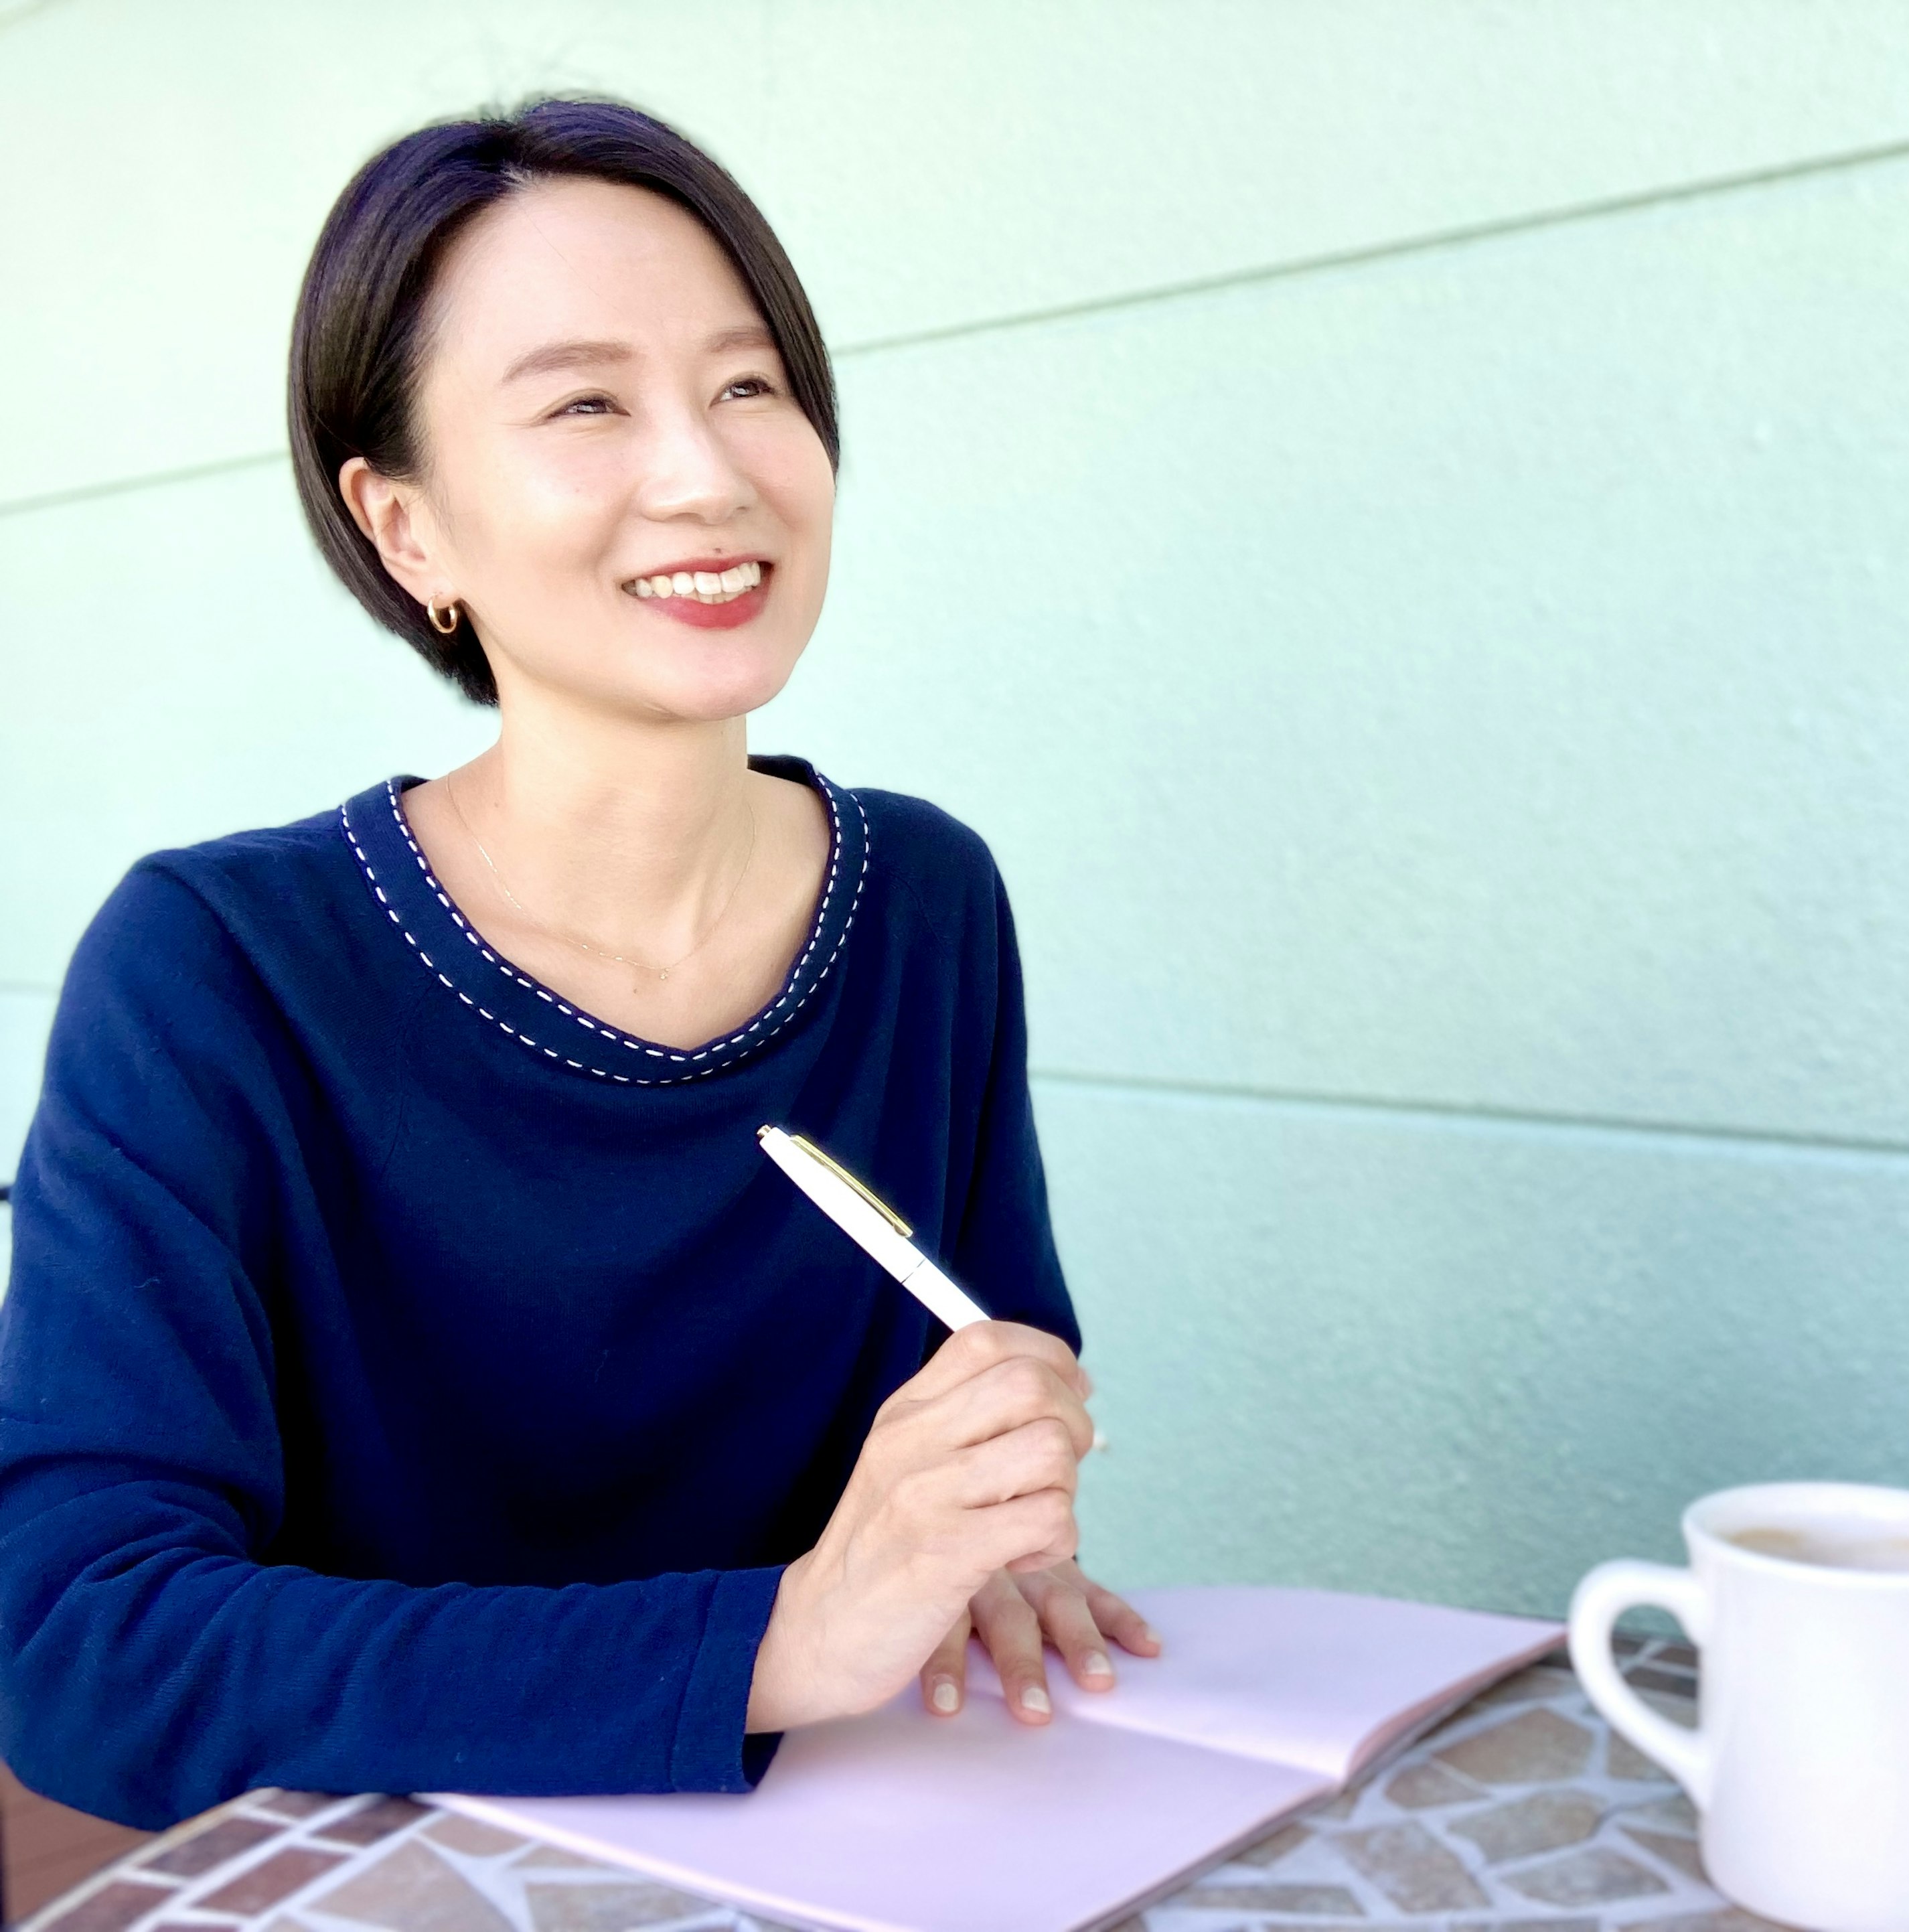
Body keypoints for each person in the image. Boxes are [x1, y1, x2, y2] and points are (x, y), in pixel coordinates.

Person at [0, 97, 1156, 1830]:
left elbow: (986, 1359)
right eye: (587, 403)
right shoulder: (216, 970)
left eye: (751, 383)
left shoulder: (927, 900)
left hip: (859, 1857)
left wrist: (984, 1516)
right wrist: (779, 1641)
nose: (708, 471)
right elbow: (85, 1647)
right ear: (407, 529)